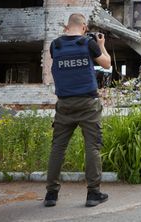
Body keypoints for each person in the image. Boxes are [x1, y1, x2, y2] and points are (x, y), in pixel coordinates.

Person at [44, 13, 111, 208]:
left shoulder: (55, 45)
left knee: (58, 147)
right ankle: (93, 193)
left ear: (67, 26)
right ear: (83, 27)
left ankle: (51, 195)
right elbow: (106, 64)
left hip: (64, 104)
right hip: (88, 103)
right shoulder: (87, 43)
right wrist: (101, 45)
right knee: (92, 146)